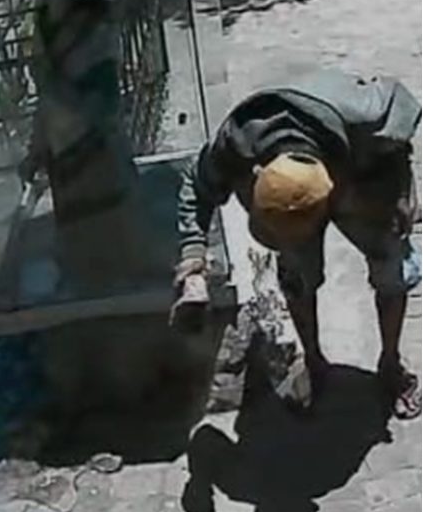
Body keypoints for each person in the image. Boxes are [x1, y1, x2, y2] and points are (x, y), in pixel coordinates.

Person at [171, 69, 422, 418]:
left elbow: (403, 113)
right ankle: (315, 362)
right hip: (315, 174)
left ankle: (391, 364)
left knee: (393, 265)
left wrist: (401, 192)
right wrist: (193, 258)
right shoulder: (240, 139)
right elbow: (196, 186)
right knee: (297, 276)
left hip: (359, 176)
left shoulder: (367, 114)